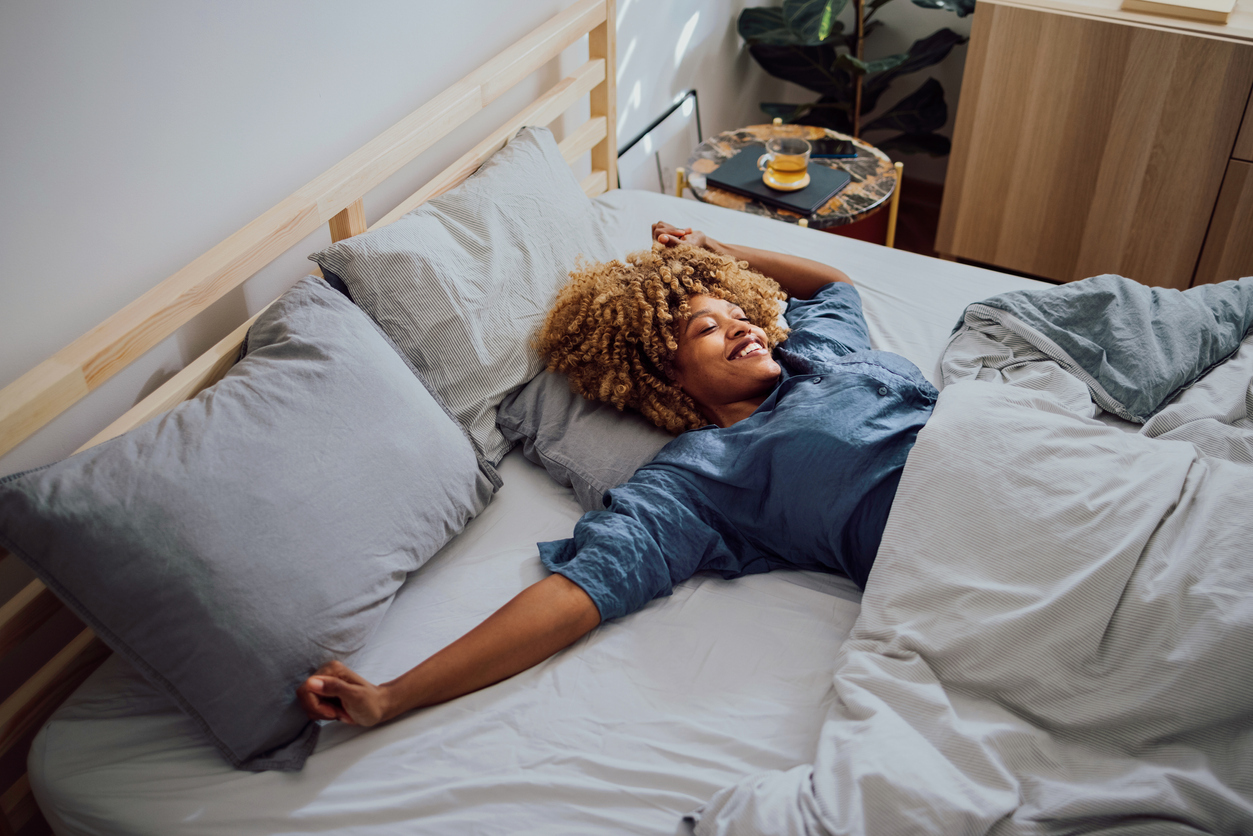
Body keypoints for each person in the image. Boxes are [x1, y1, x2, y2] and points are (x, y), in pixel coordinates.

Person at [297, 221, 938, 727]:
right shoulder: (703, 479)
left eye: (739, 313)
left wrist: (717, 248)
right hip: (946, 535)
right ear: (668, 377)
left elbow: (833, 288)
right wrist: (393, 695)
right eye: (705, 329)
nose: (741, 325)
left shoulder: (814, 349)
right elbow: (579, 593)